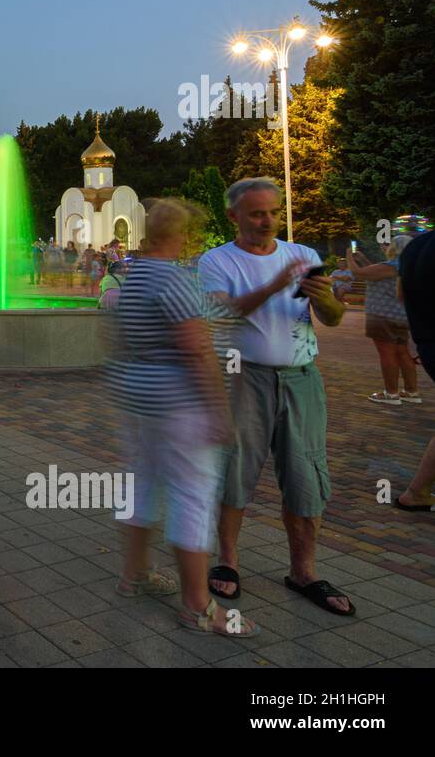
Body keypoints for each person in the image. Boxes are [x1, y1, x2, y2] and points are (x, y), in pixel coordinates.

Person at [199, 177, 352, 617]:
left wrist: (326, 301)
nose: (267, 222)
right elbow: (221, 312)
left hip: (302, 377)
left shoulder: (303, 255)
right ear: (234, 217)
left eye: (273, 212)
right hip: (242, 376)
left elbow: (334, 319)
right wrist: (273, 285)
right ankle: (227, 561)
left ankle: (304, 571)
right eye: (256, 214)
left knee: (307, 473)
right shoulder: (217, 260)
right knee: (235, 468)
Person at [108, 199, 255, 636]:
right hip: (179, 405)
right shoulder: (173, 279)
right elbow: (197, 348)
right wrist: (219, 410)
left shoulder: (132, 276)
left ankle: (133, 575)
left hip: (139, 402)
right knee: (192, 496)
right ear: (182, 235)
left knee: (144, 486)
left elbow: (117, 337)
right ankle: (197, 606)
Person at [348, 235, 420, 405]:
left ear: (395, 248)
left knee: (387, 354)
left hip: (382, 316)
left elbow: (358, 273)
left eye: (390, 244)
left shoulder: (392, 265)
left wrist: (349, 257)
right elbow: (374, 274)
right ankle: (411, 391)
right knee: (402, 353)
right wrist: (363, 259)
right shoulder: (407, 266)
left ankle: (391, 394)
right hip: (400, 316)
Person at [396, 230, 435, 512]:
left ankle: (417, 491)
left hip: (428, 343)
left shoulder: (417, 246)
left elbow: (401, 293)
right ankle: (416, 491)